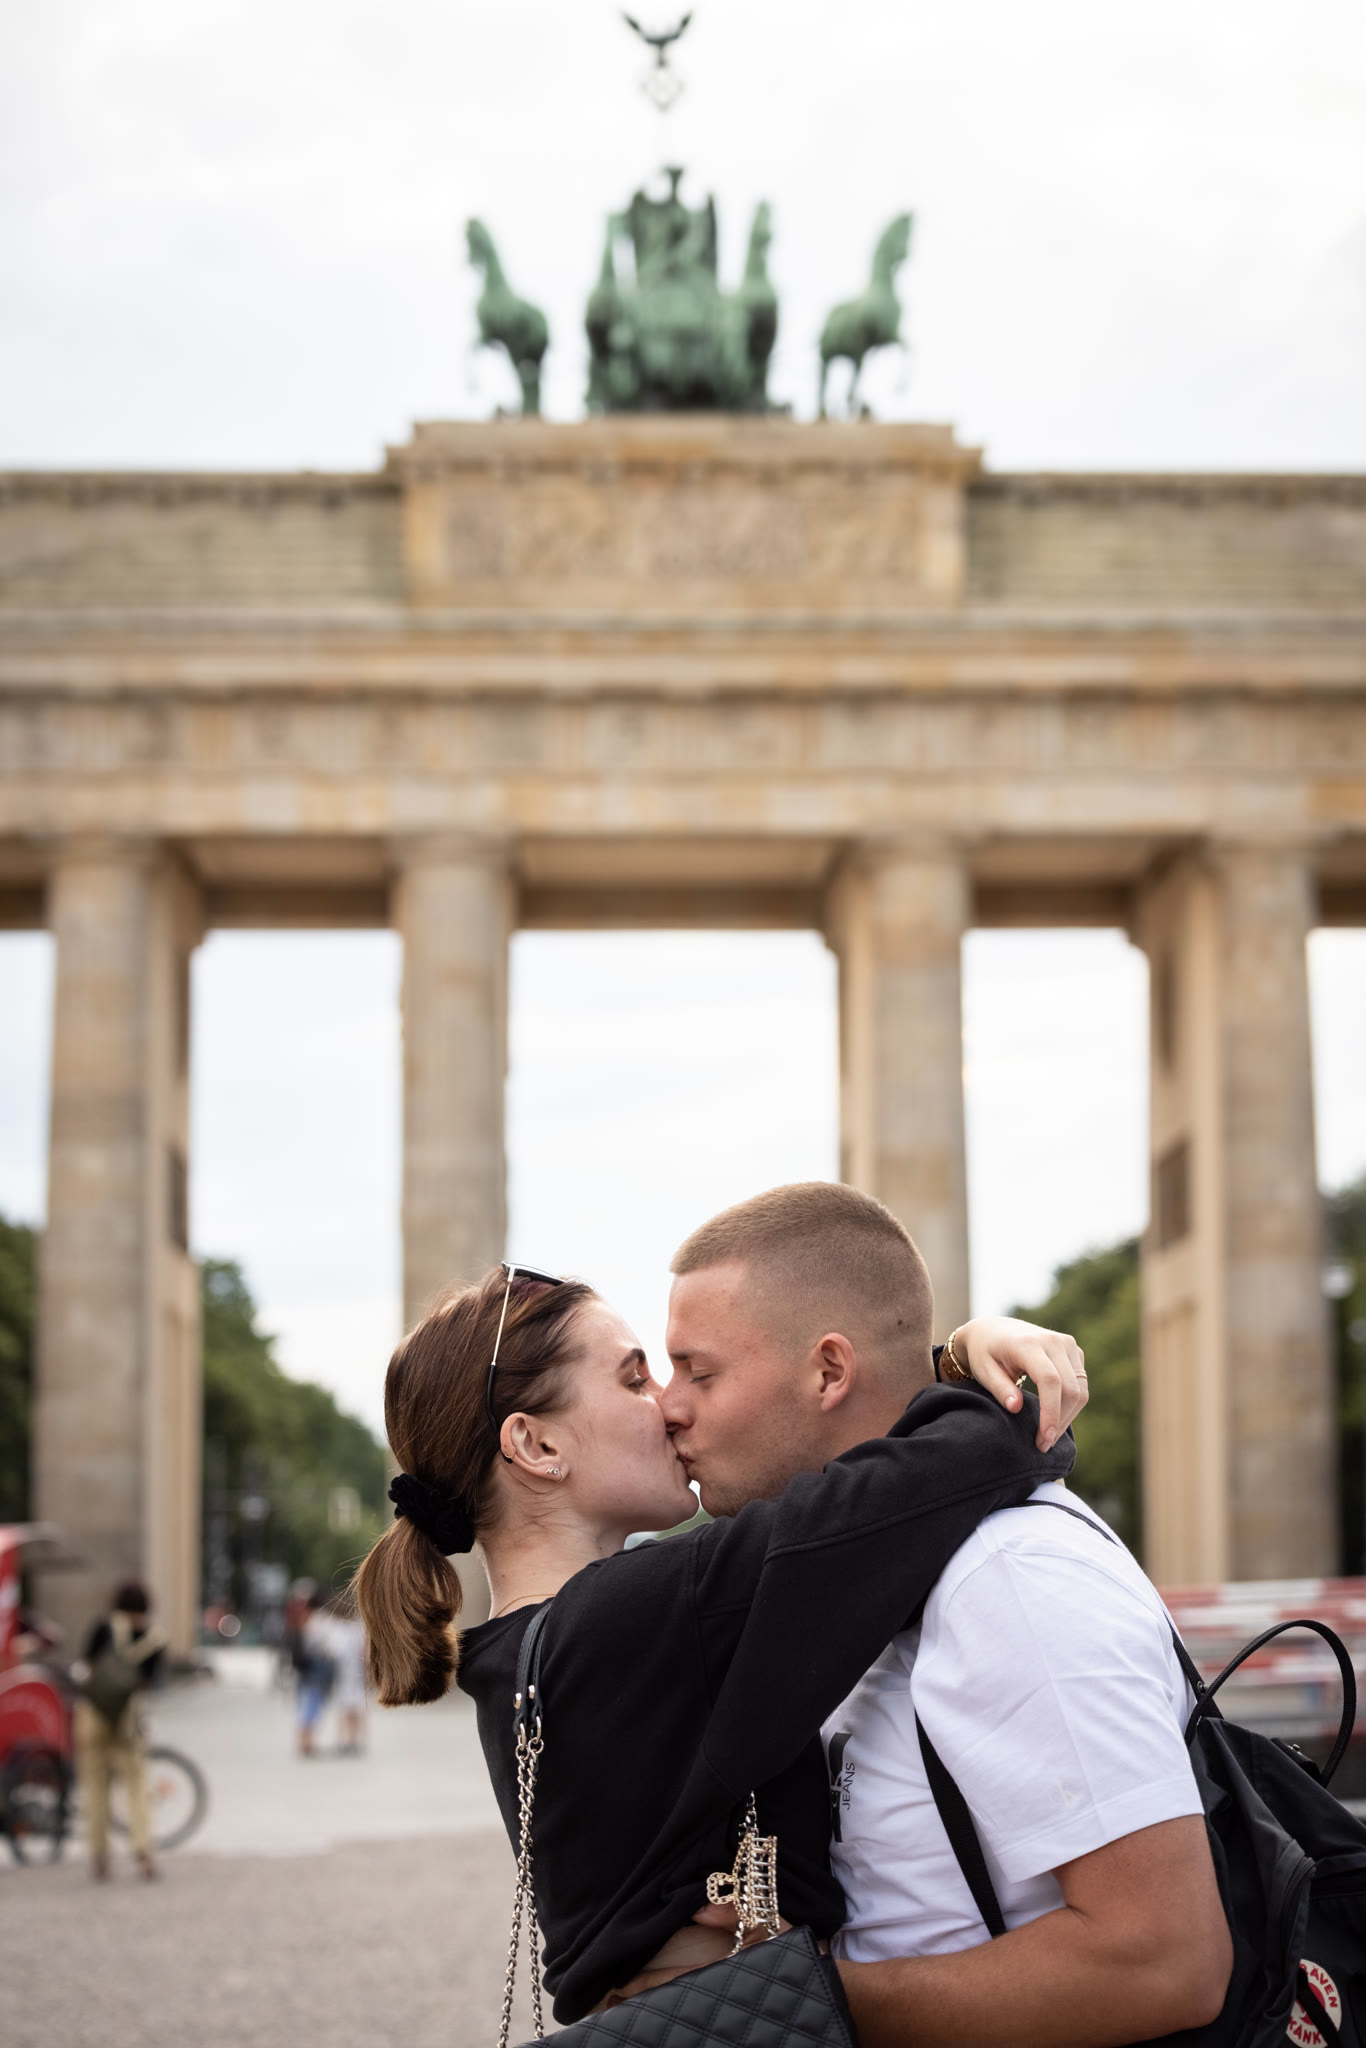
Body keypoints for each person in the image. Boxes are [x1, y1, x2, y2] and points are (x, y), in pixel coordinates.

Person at [355, 1245, 1086, 2022]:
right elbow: (984, 1459)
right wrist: (960, 1362)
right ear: (537, 1446)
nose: (670, 1406)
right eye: (634, 1379)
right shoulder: (651, 1610)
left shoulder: (516, 1658)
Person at [657, 1183, 1232, 2047]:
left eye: (698, 1372)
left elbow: (1165, 1960)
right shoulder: (880, 1566)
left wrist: (779, 2000)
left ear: (829, 1371)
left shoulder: (1007, 1579)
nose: (669, 1405)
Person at [75, 1579, 166, 1882]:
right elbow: (148, 1683)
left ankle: (99, 1857)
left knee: (95, 1786)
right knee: (137, 1786)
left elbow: (87, 1665)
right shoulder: (154, 1638)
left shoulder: (103, 1627)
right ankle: (143, 1852)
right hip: (126, 1718)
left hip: (93, 1715)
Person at [324, 1596, 368, 1756]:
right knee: (352, 1709)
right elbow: (364, 1652)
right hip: (350, 1674)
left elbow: (331, 1650)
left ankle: (346, 1740)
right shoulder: (356, 1626)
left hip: (346, 1674)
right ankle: (351, 1740)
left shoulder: (337, 1627)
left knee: (347, 1709)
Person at [294, 1587, 335, 1757]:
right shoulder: (321, 1619)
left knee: (305, 1703)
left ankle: (304, 1741)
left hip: (305, 1667)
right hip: (317, 1666)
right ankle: (308, 1742)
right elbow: (328, 1643)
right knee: (313, 1704)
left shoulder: (305, 1618)